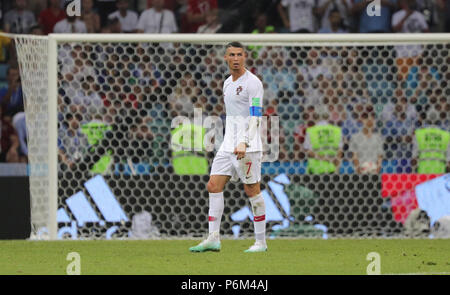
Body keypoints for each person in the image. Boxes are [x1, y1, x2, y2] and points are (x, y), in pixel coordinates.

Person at [189, 42, 267, 253]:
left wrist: (245, 141)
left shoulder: (253, 83)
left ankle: (261, 242)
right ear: (225, 58)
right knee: (213, 185)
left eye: (239, 54)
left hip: (247, 145)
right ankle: (213, 238)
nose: (235, 58)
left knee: (251, 190)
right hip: (228, 144)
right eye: (231, 54)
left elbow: (256, 115)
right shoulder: (226, 83)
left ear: (244, 57)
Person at [349, 108, 384, 174]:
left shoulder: (378, 138)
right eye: (366, 118)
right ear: (362, 120)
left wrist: (376, 171)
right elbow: (354, 156)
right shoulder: (355, 137)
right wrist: (359, 171)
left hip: (374, 172)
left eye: (372, 118)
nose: (369, 121)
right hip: (360, 172)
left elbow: (380, 157)